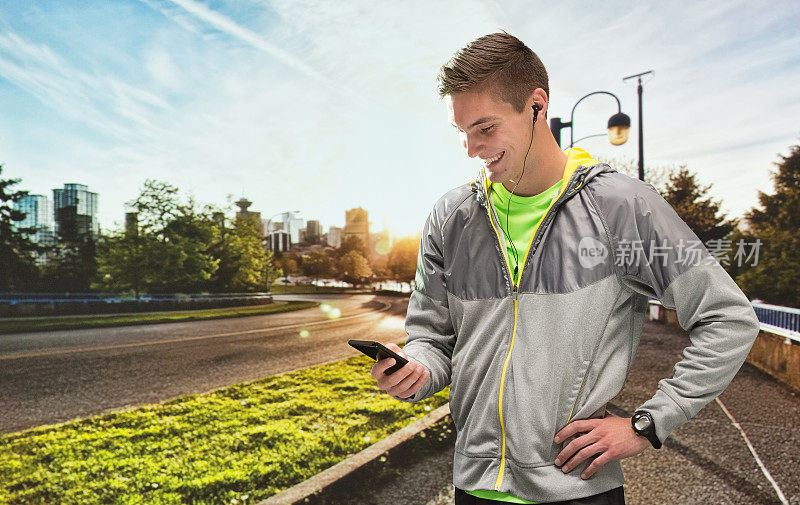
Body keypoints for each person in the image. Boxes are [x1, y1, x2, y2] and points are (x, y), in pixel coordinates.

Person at [369, 32, 759, 505]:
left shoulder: (623, 207)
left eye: (486, 128)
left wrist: (649, 423)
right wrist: (415, 370)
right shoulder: (450, 219)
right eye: (463, 131)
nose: (471, 149)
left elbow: (728, 318)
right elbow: (432, 339)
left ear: (536, 106)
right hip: (474, 486)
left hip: (577, 489)